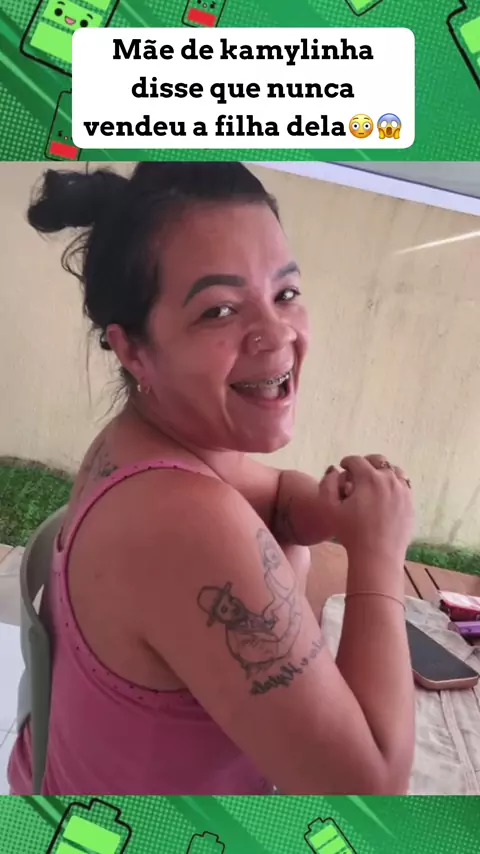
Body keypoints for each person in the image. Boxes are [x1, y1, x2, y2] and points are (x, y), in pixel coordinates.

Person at [8, 162, 415, 795]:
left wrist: (335, 509)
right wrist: (379, 555)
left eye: (285, 293)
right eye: (219, 310)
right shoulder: (180, 520)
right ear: (134, 350)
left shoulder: (147, 443)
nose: (276, 334)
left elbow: (271, 494)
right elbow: (371, 787)